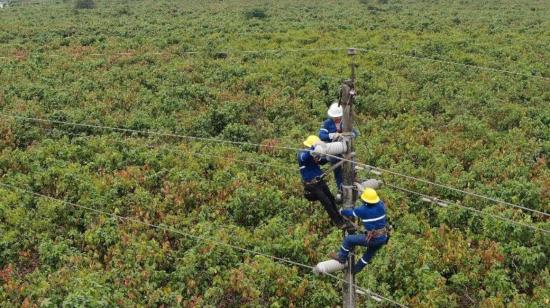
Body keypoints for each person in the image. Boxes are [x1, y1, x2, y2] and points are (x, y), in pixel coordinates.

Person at [298, 135, 355, 232]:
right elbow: (306, 156)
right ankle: (339, 223)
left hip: (320, 181)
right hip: (312, 185)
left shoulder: (313, 155)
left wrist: (331, 156)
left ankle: (341, 218)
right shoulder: (302, 154)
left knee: (331, 199)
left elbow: (322, 161)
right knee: (327, 203)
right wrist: (315, 147)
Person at [329, 188, 388, 274]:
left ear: (366, 201)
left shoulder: (363, 210)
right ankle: (356, 269)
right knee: (369, 253)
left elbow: (351, 212)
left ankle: (341, 257)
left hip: (373, 239)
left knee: (348, 240)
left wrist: (341, 211)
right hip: (383, 238)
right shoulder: (381, 205)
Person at [318, 102, 358, 199]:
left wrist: (347, 135)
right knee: (338, 171)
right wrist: (332, 135)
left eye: (337, 116)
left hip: (346, 151)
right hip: (333, 151)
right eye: (334, 117)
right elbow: (321, 135)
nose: (335, 118)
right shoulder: (327, 123)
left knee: (350, 169)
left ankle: (353, 186)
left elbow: (355, 133)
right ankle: (341, 188)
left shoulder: (345, 122)